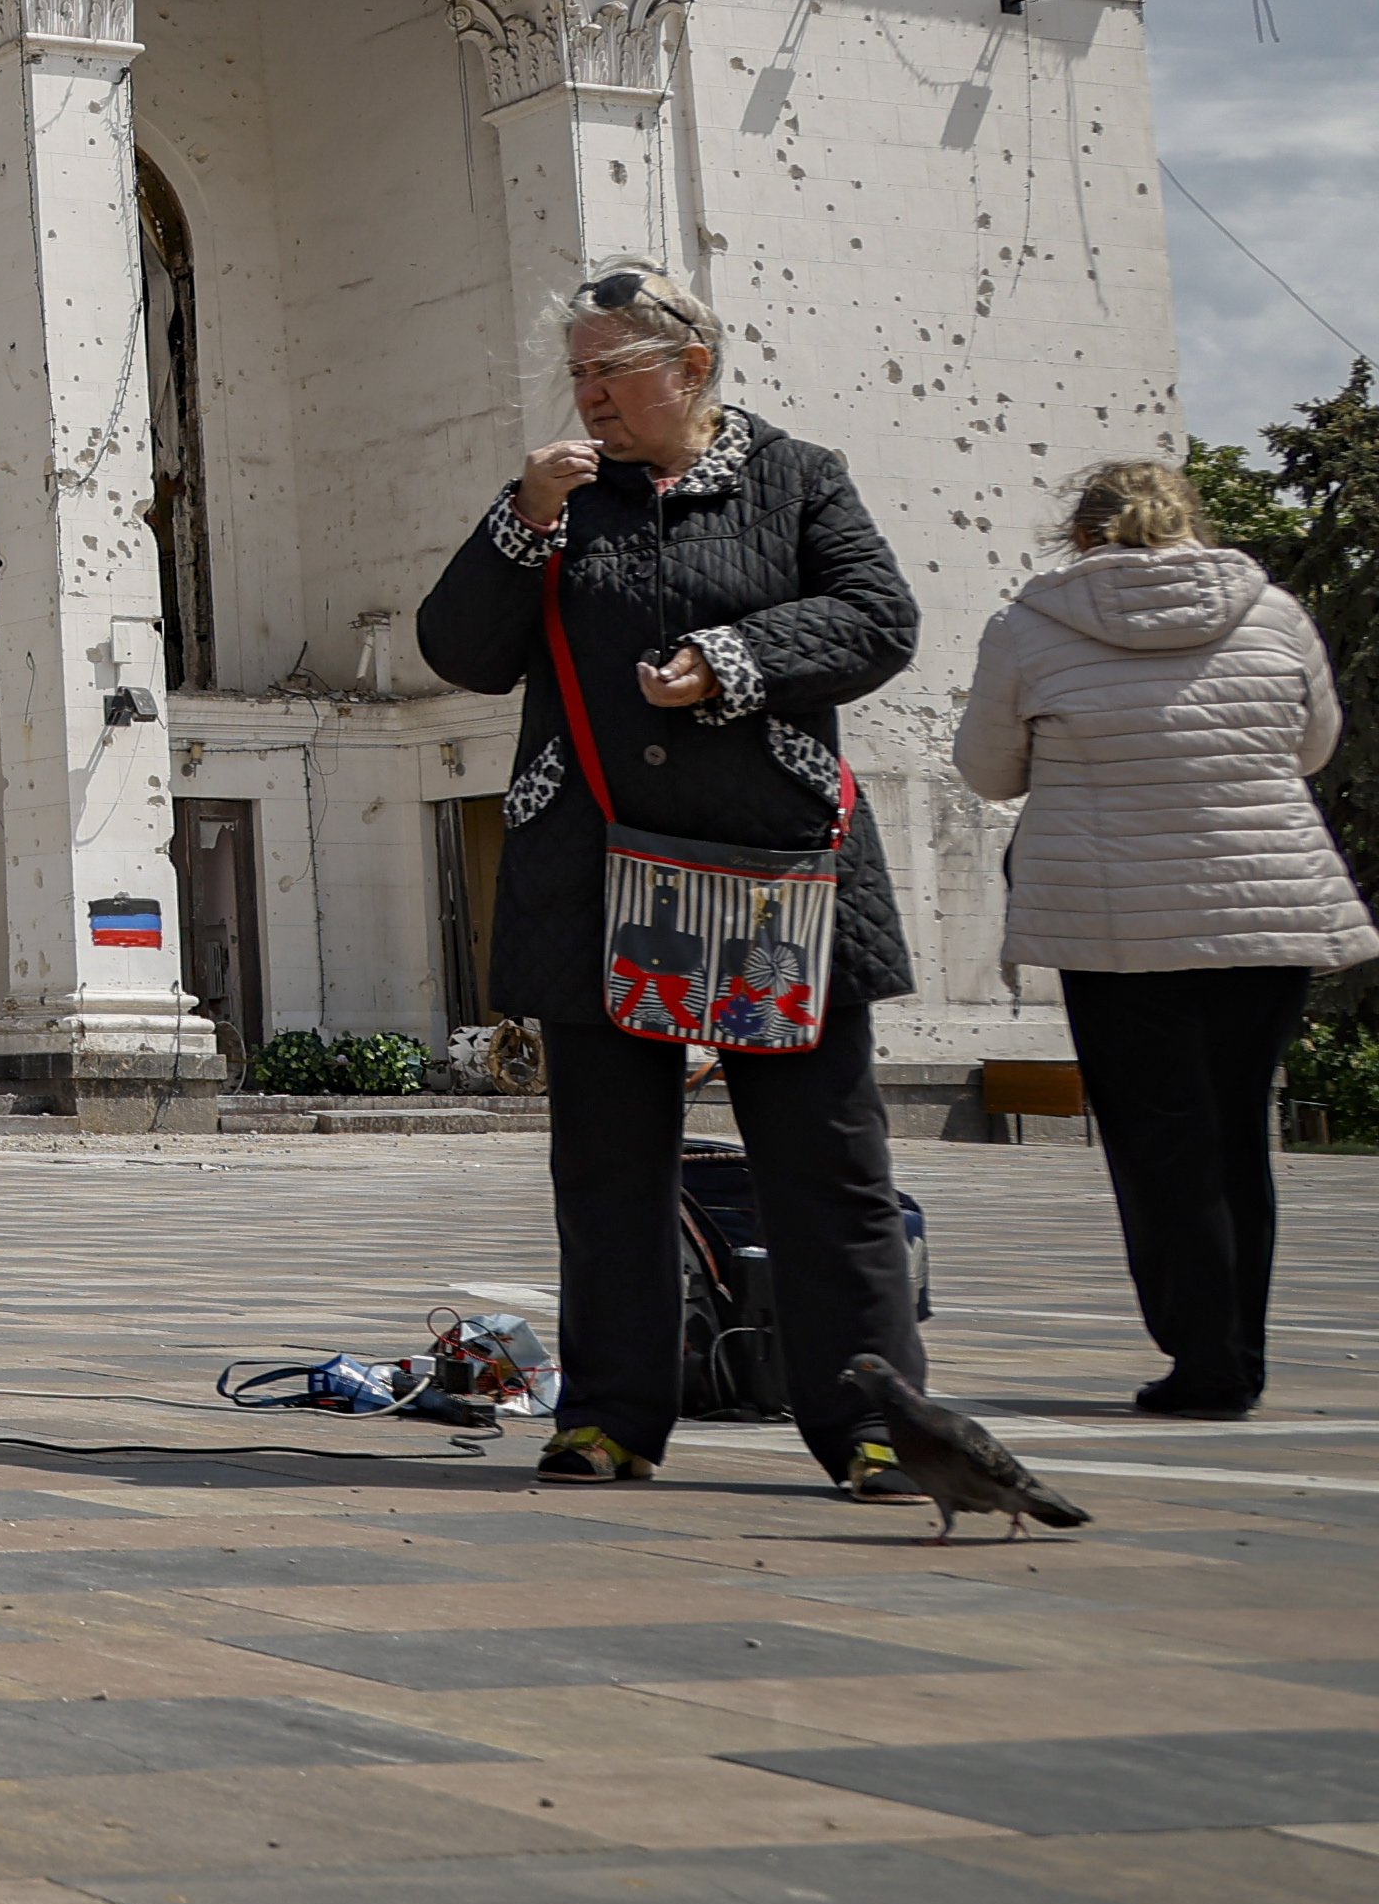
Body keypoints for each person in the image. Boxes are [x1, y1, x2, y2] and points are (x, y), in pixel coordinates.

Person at [418, 265, 929, 1491]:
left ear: (690, 370)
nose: (588, 396)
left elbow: (878, 616)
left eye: (613, 371)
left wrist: (734, 656)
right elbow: (462, 652)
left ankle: (870, 1424)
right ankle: (607, 1418)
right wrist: (519, 524)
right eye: (579, 374)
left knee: (826, 1165)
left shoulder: (799, 478)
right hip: (595, 879)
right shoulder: (557, 500)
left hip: (770, 880)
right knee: (607, 1166)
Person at [952, 457, 1374, 1416]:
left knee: (1158, 1140)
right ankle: (1238, 1359)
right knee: (1236, 1134)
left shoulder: (1030, 624)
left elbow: (987, 772)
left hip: (1115, 922)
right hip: (1263, 907)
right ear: (1193, 521)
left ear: (1083, 531)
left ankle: (1200, 1358)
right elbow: (1313, 747)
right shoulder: (1275, 612)